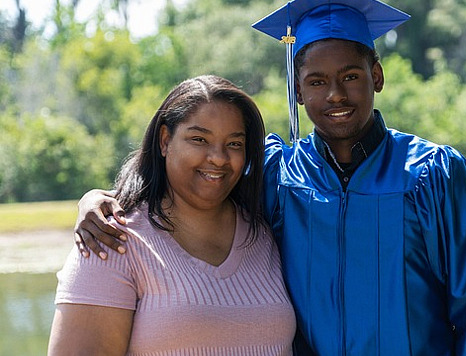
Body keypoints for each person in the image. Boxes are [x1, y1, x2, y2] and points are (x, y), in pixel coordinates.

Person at [72, 0, 466, 355]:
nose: (335, 94)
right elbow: (198, 179)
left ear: (377, 75)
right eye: (315, 81)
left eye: (351, 76)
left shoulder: (434, 176)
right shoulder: (277, 175)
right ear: (297, 88)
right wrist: (100, 198)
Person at [48, 75, 296, 355]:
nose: (218, 157)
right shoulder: (112, 239)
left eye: (234, 144)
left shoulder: (263, 230)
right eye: (199, 139)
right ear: (165, 140)